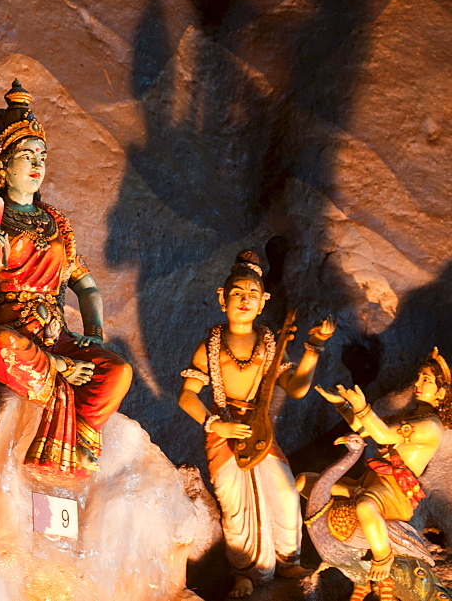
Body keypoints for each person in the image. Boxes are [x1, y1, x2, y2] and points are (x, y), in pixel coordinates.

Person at [0, 80, 132, 475]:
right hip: (14, 335)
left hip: (58, 335)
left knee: (118, 371)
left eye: (42, 157)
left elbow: (86, 285)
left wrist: (94, 332)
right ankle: (59, 373)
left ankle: (84, 429)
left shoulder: (56, 224)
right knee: (2, 346)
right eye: (26, 155)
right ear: (0, 165)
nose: (37, 165)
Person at [178, 250, 335, 598]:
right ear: (222, 298)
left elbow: (295, 388)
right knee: (236, 508)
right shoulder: (211, 346)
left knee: (283, 493)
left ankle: (288, 558)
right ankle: (245, 572)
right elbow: (187, 396)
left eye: (252, 294)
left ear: (263, 302)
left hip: (261, 432)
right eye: (237, 293)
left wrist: (313, 348)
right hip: (224, 433)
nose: (244, 300)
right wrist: (215, 424)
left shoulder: (268, 343)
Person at [303, 348, 452, 584]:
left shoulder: (431, 425)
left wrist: (362, 407)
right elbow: (367, 432)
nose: (418, 383)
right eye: (418, 377)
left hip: (392, 494)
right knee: (308, 482)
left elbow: (382, 436)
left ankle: (382, 557)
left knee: (364, 506)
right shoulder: (412, 416)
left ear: (441, 393)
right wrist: (343, 406)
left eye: (427, 380)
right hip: (368, 482)